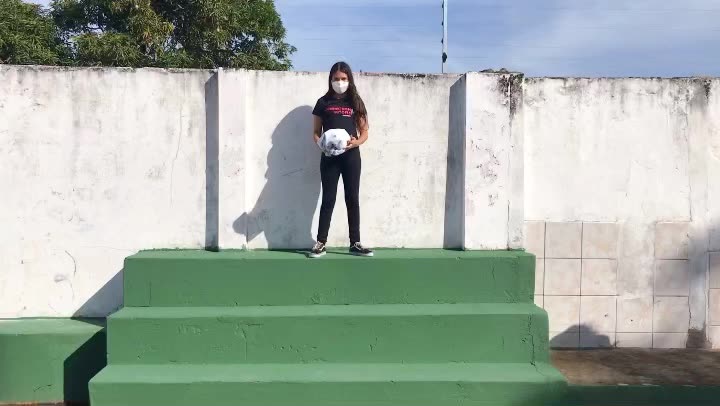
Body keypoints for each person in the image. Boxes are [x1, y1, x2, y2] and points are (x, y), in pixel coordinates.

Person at [309, 62, 374, 258]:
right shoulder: (323, 102)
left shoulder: (355, 102)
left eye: (344, 79)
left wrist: (355, 143)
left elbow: (364, 132)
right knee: (328, 198)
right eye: (336, 79)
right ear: (331, 80)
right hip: (329, 157)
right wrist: (321, 144)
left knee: (352, 198)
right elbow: (315, 132)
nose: (340, 82)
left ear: (349, 80)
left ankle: (355, 243)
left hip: (351, 156)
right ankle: (321, 242)